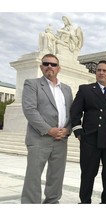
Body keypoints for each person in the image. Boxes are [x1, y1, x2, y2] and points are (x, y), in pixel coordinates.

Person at [70, 60, 106, 204]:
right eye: (98, 70)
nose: (101, 72)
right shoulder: (85, 89)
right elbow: (75, 113)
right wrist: (78, 133)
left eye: (104, 70)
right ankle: (85, 202)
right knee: (88, 174)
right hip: (90, 140)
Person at [21, 54, 73, 203]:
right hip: (39, 138)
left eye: (53, 64)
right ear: (41, 66)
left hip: (61, 140)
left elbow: (72, 112)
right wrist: (49, 130)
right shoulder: (32, 84)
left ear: (59, 68)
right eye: (46, 63)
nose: (50, 66)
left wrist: (67, 129)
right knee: (33, 176)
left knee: (56, 176)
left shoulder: (67, 89)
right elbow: (30, 110)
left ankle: (52, 203)